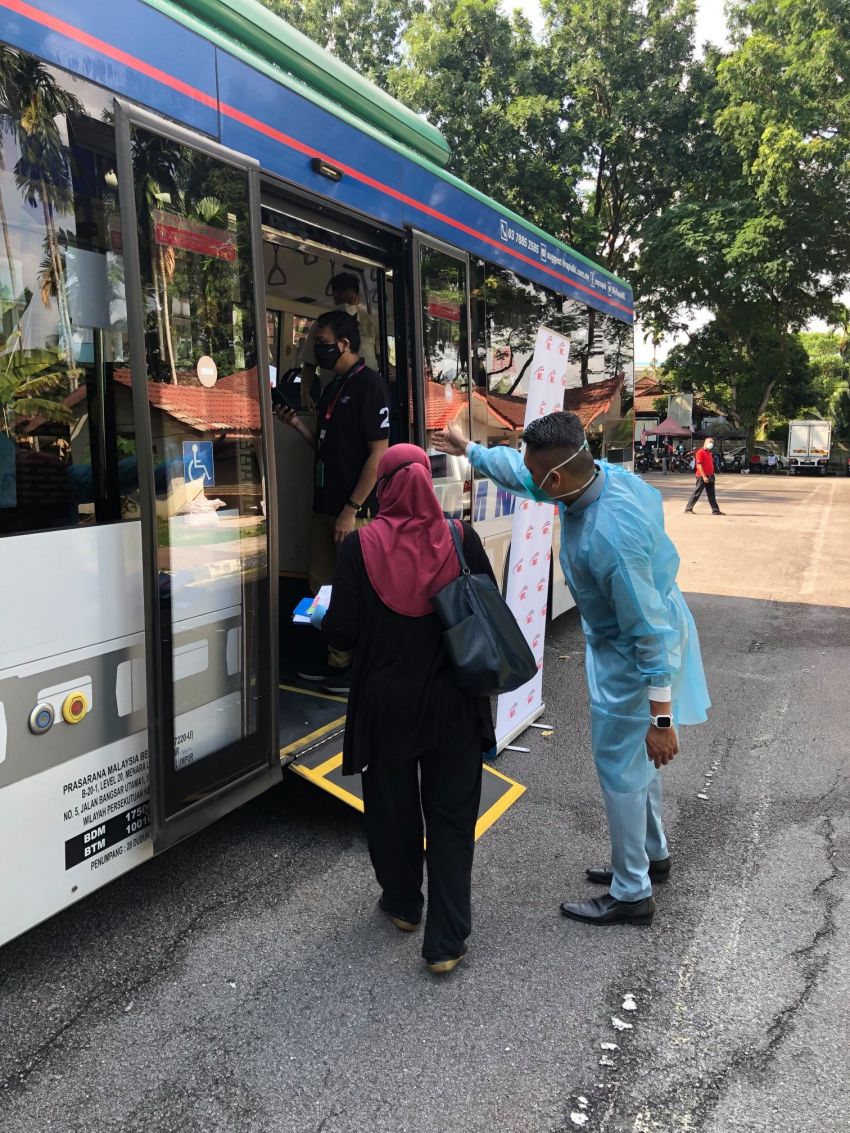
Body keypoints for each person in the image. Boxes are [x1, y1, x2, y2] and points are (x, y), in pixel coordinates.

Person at [434, 412, 710, 926]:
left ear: (555, 479)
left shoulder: (611, 537)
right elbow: (521, 475)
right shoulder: (597, 476)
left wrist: (663, 719)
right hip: (621, 645)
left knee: (621, 771)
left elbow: (650, 634)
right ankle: (651, 856)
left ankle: (632, 892)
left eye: (536, 475)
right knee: (635, 766)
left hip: (631, 656)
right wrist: (467, 447)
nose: (529, 479)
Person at [314, 444, 496, 972]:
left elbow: (343, 629)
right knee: (451, 819)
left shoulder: (361, 547)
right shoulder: (461, 538)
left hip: (385, 706)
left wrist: (329, 629)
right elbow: (488, 603)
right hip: (455, 706)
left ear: (386, 486)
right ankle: (446, 941)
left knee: (392, 810)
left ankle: (402, 904)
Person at [276, 309, 389, 693]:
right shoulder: (332, 387)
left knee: (353, 589)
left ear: (343, 344)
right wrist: (296, 425)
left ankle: (357, 666)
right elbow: (325, 449)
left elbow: (379, 455)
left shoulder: (369, 385)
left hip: (352, 513)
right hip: (324, 507)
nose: (316, 351)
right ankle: (335, 659)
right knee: (321, 587)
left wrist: (351, 509)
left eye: (321, 344)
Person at [298, 272, 380, 407]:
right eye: (340, 300)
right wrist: (304, 393)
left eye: (348, 299)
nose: (345, 305)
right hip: (334, 392)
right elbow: (310, 362)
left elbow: (380, 356)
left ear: (357, 298)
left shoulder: (370, 324)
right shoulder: (321, 325)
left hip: (366, 390)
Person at [684, 438, 724, 514]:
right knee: (697, 492)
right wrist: (704, 476)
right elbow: (699, 465)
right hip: (702, 476)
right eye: (710, 442)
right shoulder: (700, 452)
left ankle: (715, 510)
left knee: (711, 494)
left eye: (712, 442)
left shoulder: (709, 453)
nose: (711, 444)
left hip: (710, 476)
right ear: (705, 443)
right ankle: (688, 509)